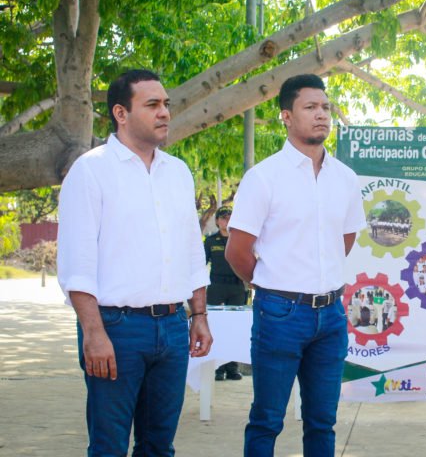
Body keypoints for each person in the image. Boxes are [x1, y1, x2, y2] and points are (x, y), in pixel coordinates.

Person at [56, 69, 213, 456]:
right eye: (153, 105)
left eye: (166, 105)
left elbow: (193, 251)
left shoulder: (177, 173)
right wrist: (93, 333)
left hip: (174, 328)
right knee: (109, 446)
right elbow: (77, 264)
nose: (164, 113)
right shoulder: (91, 170)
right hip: (116, 329)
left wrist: (200, 315)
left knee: (159, 446)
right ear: (121, 113)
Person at [225, 73, 366, 456]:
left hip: (332, 316)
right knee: (267, 419)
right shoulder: (264, 178)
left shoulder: (346, 179)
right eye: (310, 107)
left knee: (322, 421)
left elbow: (346, 240)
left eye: (325, 107)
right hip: (279, 313)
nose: (321, 115)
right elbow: (237, 250)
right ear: (286, 116)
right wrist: (272, 283)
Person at [204, 205, 246, 381]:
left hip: (236, 287)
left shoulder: (240, 240)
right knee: (216, 326)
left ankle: (232, 368)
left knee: (235, 328)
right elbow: (201, 264)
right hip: (217, 286)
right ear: (217, 221)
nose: (226, 220)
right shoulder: (210, 241)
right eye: (223, 217)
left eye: (230, 217)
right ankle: (218, 368)